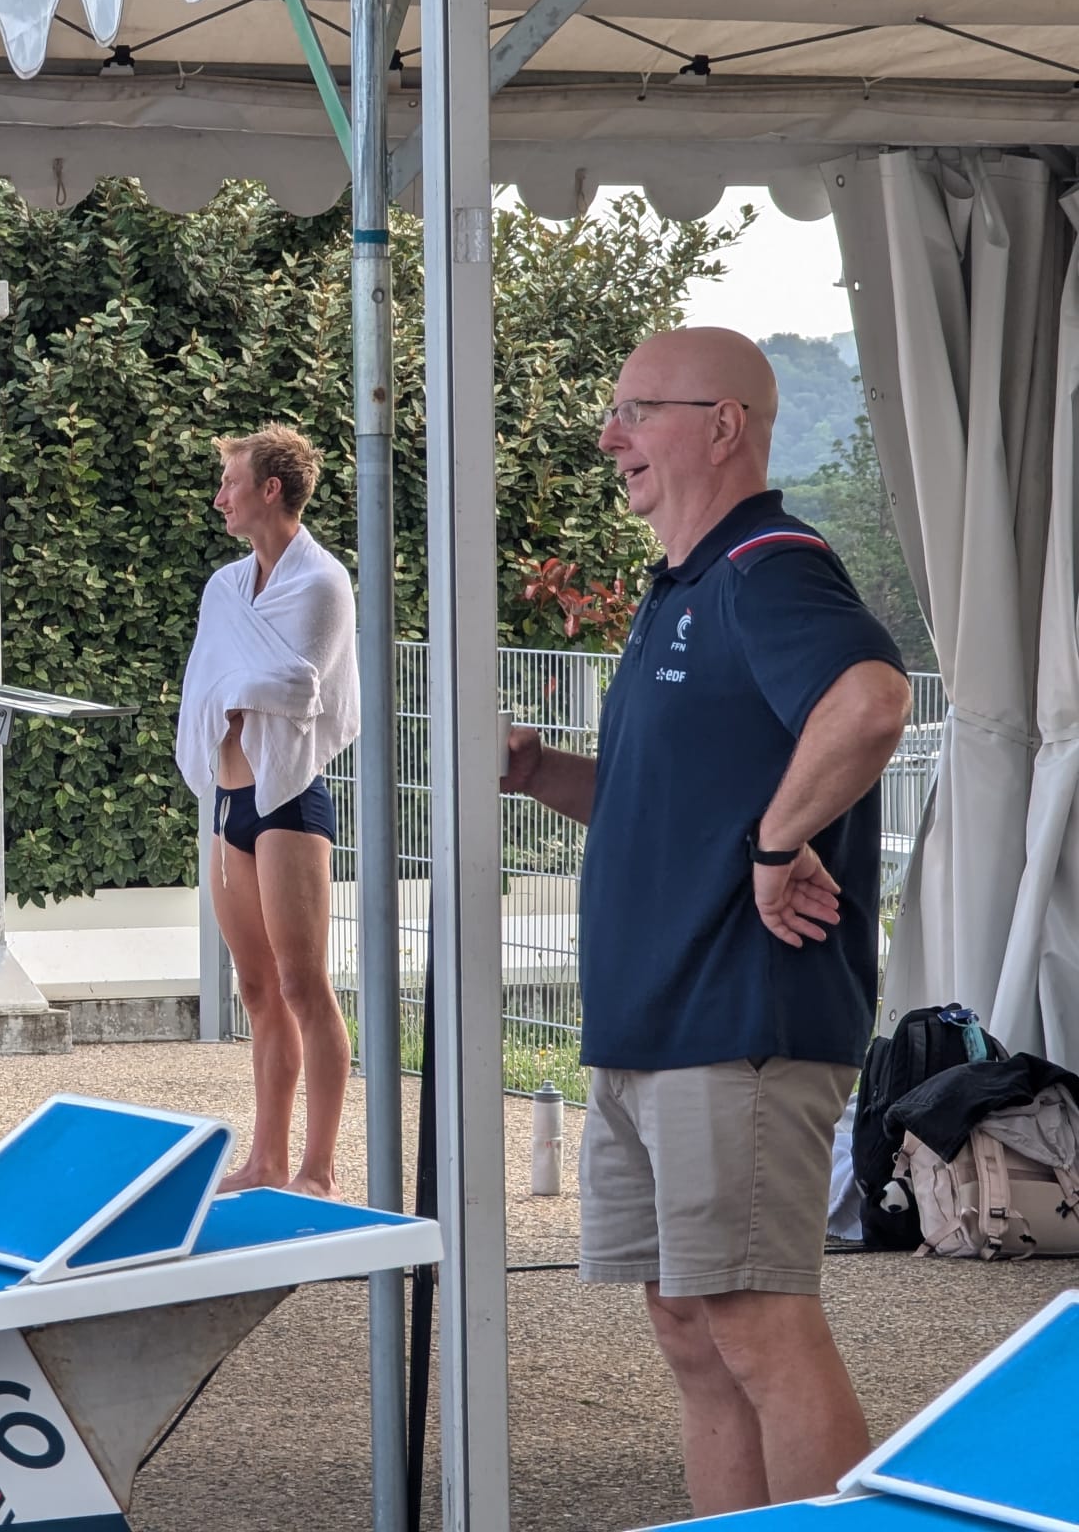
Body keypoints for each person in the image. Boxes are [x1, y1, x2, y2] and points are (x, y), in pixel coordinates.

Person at [502, 327, 909, 1517]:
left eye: (637, 409)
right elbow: (663, 808)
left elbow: (873, 700)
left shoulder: (767, 567)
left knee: (755, 1322)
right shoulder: (684, 584)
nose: (608, 434)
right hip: (654, 1023)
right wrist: (540, 775)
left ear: (724, 426)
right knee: (689, 1324)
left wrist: (781, 846)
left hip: (739, 1016)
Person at [177, 424, 360, 1196]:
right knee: (255, 989)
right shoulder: (225, 587)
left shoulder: (322, 583)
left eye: (231, 482)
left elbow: (299, 688)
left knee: (301, 985)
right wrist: (238, 686)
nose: (220, 497)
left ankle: (317, 1170)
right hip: (227, 802)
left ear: (271, 490)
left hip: (286, 799)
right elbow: (209, 685)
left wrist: (236, 685)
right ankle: (267, 1160)